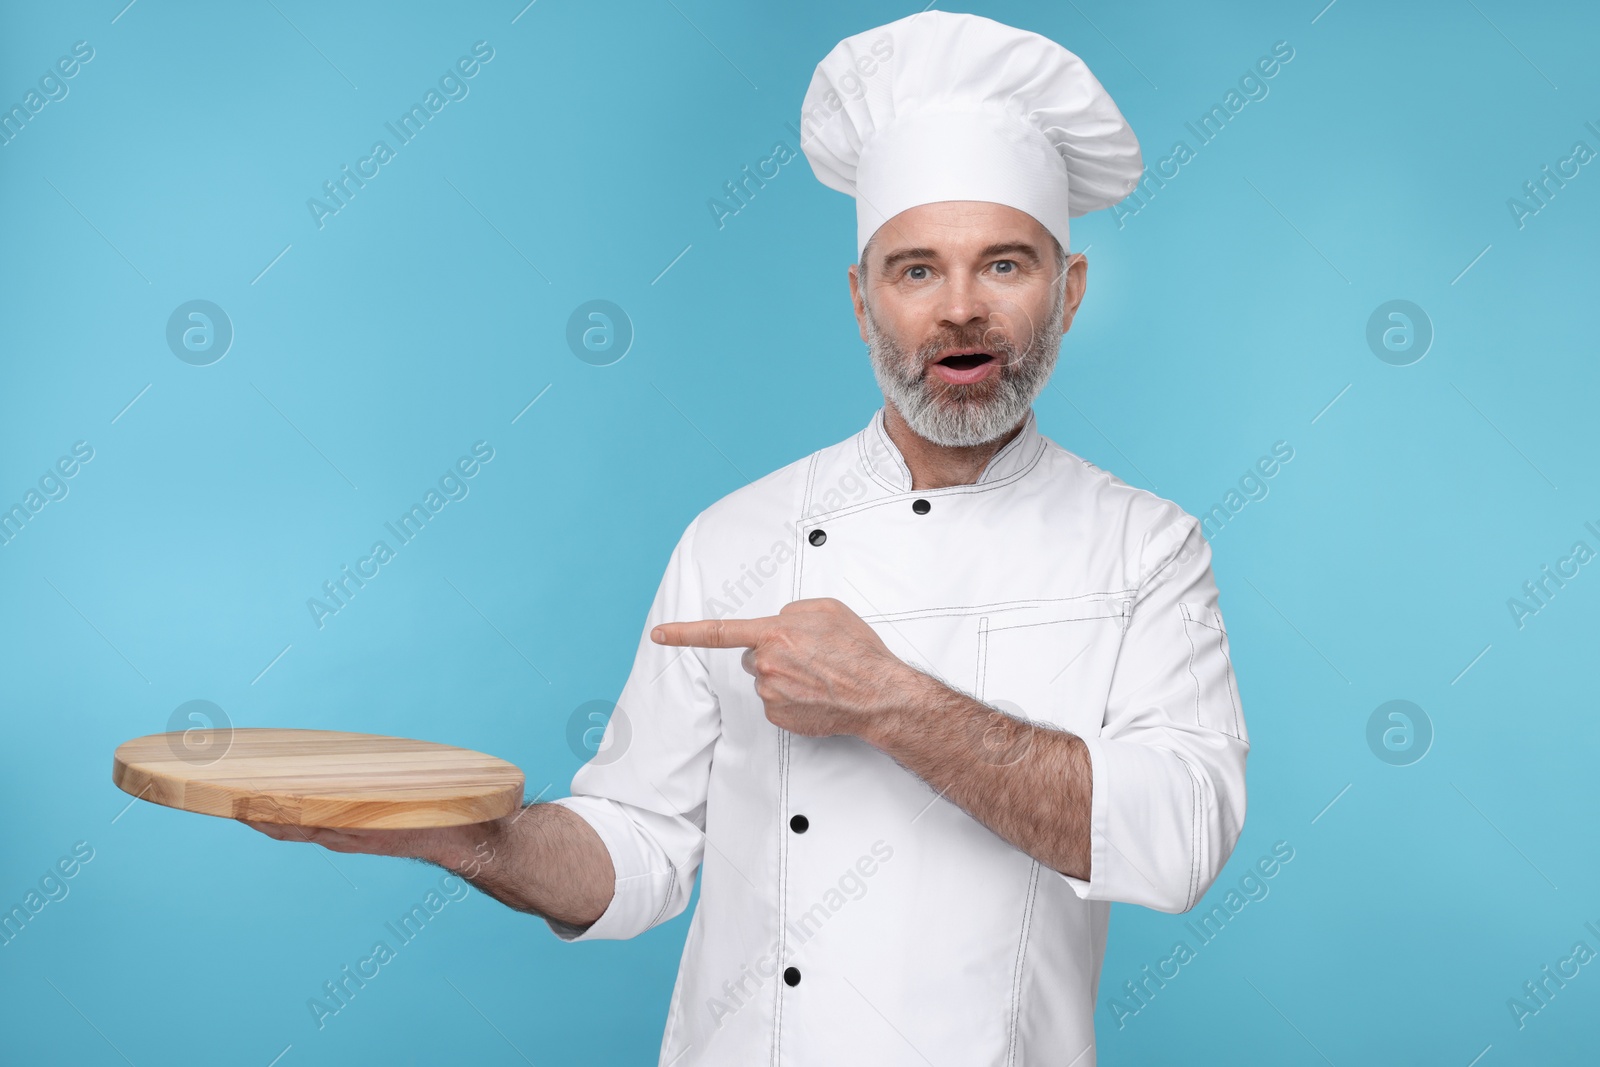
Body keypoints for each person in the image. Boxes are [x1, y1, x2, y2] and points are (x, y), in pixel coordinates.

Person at [247, 11, 1248, 1064]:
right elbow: (640, 843)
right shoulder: (739, 534)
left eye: (1003, 264)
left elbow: (1180, 839)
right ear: (862, 303)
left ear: (1070, 292)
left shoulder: (1145, 546)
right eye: (915, 270)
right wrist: (469, 841)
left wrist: (891, 700)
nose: (960, 309)